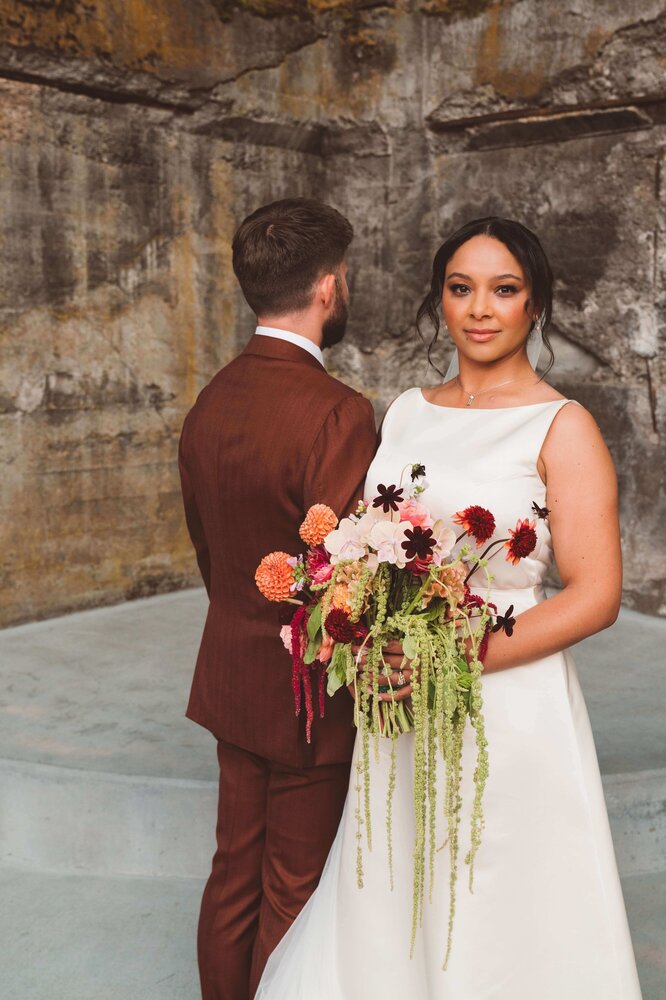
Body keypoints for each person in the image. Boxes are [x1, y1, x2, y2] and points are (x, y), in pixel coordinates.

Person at [255, 217, 643, 999]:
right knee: (396, 886)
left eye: (504, 290)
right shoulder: (405, 412)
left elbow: (597, 596)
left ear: (535, 305)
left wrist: (449, 654)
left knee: (498, 901)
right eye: (461, 289)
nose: (480, 309)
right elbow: (373, 543)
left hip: (508, 700)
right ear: (439, 300)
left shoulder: (562, 427)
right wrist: (362, 630)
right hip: (399, 702)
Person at [178, 197, 378, 1000]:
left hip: (228, 672)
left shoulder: (211, 400)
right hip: (304, 692)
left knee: (232, 874)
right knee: (292, 888)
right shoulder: (338, 412)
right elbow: (343, 577)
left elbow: (208, 548)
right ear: (329, 286)